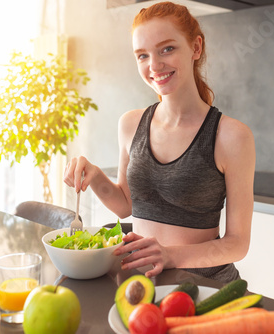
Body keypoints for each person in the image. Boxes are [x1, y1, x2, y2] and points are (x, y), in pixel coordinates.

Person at [63, 1, 255, 283]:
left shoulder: (231, 136)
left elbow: (237, 244)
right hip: (141, 282)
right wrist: (94, 176)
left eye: (167, 48)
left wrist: (170, 255)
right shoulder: (130, 124)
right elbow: (127, 205)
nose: (154, 65)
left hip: (204, 286)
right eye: (142, 55)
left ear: (196, 48)